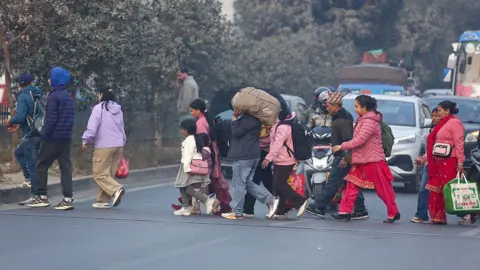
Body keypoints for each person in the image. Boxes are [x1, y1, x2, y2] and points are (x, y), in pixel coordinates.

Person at [331, 95, 400, 223]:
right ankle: (344, 211)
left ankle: (393, 212)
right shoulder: (363, 119)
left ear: (365, 107)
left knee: (383, 189)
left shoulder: (370, 121)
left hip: (373, 161)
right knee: (351, 185)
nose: (355, 109)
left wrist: (341, 146)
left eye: (357, 106)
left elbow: (360, 140)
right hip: (361, 160)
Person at [306, 92, 369, 219]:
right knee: (350, 183)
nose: (327, 107)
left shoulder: (343, 119)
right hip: (342, 155)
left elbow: (347, 140)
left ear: (336, 105)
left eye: (329, 105)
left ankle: (319, 207)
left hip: (343, 156)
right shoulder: (338, 116)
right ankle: (360, 210)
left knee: (333, 182)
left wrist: (345, 157)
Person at [27, 67, 75, 210]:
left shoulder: (53, 96)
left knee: (41, 164)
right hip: (66, 137)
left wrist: (45, 137)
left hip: (54, 137)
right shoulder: (68, 96)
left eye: (50, 77)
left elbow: (51, 121)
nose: (48, 80)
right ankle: (67, 198)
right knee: (65, 167)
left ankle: (42, 196)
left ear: (55, 79)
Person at [221, 110, 279, 220]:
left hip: (243, 155)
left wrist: (234, 118)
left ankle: (237, 212)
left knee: (239, 184)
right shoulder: (255, 119)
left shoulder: (248, 119)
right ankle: (270, 200)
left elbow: (236, 132)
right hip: (252, 154)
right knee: (247, 183)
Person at [81, 89, 127, 209]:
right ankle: (102, 200)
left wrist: (86, 139)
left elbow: (92, 126)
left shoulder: (99, 108)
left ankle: (116, 189)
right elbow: (122, 127)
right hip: (118, 145)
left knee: (99, 173)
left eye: (99, 94)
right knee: (108, 174)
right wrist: (122, 141)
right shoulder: (118, 109)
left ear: (102, 95)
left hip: (104, 145)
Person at [3, 74, 43, 205]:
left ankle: (36, 195)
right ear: (31, 82)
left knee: (32, 164)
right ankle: (30, 180)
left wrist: (10, 121)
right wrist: (19, 125)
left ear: (20, 85)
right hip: (39, 129)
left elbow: (20, 115)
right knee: (19, 153)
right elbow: (32, 113)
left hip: (31, 134)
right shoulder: (37, 93)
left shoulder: (23, 95)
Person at [187, 99, 232, 214]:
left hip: (205, 156)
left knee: (199, 182)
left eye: (192, 111)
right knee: (213, 180)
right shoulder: (207, 119)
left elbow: (202, 142)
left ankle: (209, 203)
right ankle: (221, 204)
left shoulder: (200, 123)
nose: (191, 113)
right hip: (213, 153)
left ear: (198, 110)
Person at [425, 101, 466, 225]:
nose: (438, 112)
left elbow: (459, 143)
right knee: (436, 189)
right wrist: (425, 158)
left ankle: (467, 213)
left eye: (440, 110)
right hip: (438, 161)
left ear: (447, 111)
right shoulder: (442, 124)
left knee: (450, 189)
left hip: (450, 161)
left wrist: (460, 162)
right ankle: (438, 217)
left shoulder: (454, 123)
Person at [262, 112, 308, 219]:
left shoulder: (283, 127)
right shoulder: (279, 124)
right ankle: (280, 211)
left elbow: (277, 144)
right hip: (281, 159)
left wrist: (268, 158)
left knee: (280, 184)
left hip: (286, 159)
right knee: (276, 186)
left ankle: (300, 201)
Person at [174, 119, 215, 216]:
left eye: (182, 129)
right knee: (187, 188)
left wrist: (187, 169)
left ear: (186, 130)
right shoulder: (194, 139)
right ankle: (192, 205)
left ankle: (186, 207)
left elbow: (188, 155)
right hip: (192, 166)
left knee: (182, 186)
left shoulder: (189, 141)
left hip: (188, 167)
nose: (181, 131)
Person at [410, 108, 440, 223]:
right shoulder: (432, 128)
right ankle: (421, 215)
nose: (434, 118)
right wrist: (423, 158)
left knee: (447, 190)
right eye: (433, 116)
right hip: (430, 163)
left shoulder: (448, 128)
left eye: (437, 116)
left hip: (443, 163)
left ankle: (463, 213)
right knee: (424, 189)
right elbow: (430, 148)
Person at [243, 125, 273, 218]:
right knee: (268, 181)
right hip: (265, 153)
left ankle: (248, 209)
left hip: (260, 152)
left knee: (253, 181)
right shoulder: (271, 122)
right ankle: (281, 205)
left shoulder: (261, 123)